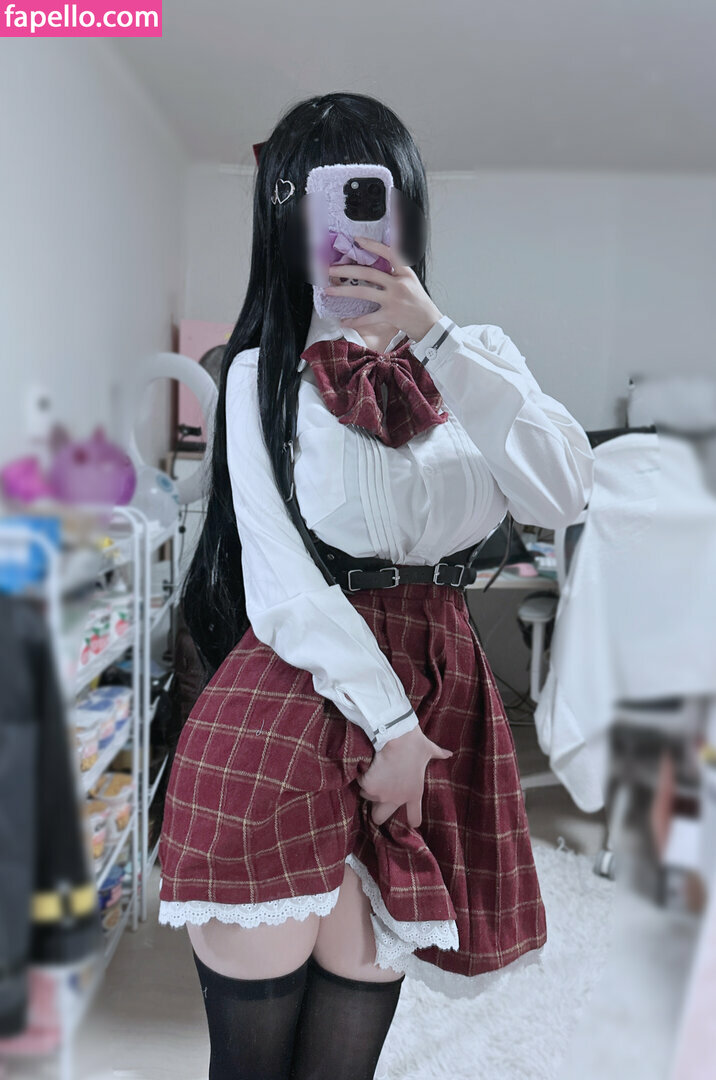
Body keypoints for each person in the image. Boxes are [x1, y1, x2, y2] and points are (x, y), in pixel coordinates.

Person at [157, 92, 595, 1080]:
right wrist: (393, 733)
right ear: (287, 220)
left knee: (347, 1047)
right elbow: (280, 585)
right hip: (293, 696)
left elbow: (564, 494)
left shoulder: (482, 357)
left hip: (439, 693)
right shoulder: (259, 374)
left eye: (376, 195)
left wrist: (437, 338)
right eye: (328, 201)